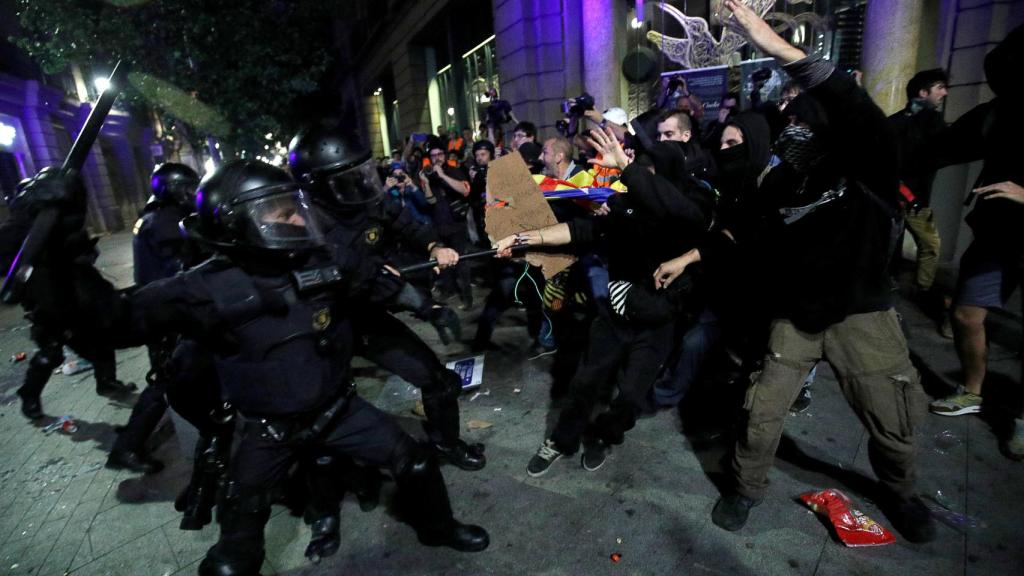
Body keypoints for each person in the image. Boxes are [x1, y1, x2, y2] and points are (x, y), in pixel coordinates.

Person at [43, 160, 489, 575]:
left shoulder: (320, 258)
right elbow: (111, 321)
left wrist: (425, 305)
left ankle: (438, 528)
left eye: (293, 208)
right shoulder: (203, 288)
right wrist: (62, 248)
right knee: (234, 549)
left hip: (339, 411)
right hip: (264, 430)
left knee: (415, 465)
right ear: (236, 224)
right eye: (279, 212)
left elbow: (371, 280)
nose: (297, 218)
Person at [655, 0, 935, 542]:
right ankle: (745, 488)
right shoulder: (779, 184)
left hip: (862, 313)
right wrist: (689, 256)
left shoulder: (869, 160)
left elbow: (852, 104)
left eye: (802, 114)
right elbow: (745, 231)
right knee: (760, 415)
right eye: (787, 118)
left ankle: (901, 491)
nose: (792, 126)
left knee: (894, 423)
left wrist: (778, 48)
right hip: (795, 314)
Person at [494, 126, 714, 477]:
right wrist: (522, 238)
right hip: (615, 317)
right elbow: (579, 231)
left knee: (629, 399)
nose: (640, 185)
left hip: (656, 324)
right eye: (640, 175)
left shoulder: (690, 212)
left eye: (649, 176)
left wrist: (629, 170)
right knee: (583, 385)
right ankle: (561, 440)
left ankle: (604, 437)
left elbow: (684, 214)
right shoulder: (624, 207)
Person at [288, 123, 483, 469]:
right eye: (345, 178)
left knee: (435, 379)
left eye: (359, 172)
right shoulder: (307, 230)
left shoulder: (363, 200)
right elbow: (370, 278)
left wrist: (434, 245)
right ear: (318, 187)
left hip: (367, 316)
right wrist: (428, 309)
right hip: (325, 328)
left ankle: (446, 445)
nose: (359, 182)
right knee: (320, 412)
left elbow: (403, 221)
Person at [922, 25, 1024, 461]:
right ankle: (971, 391)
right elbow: (940, 147)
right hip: (998, 234)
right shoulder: (997, 114)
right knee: (966, 314)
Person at [0, 169, 136, 421]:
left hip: (75, 294)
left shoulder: (58, 221)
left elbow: (80, 247)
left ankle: (106, 382)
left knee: (102, 337)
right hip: (45, 302)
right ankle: (29, 395)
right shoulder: (17, 229)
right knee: (51, 353)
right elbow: (9, 263)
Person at [106, 162, 202, 474]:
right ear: (173, 191)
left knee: (167, 376)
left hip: (158, 304)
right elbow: (180, 266)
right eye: (187, 189)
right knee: (166, 380)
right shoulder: (164, 220)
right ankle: (128, 447)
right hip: (166, 311)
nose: (192, 194)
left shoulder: (156, 215)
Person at [888, 68, 950, 328]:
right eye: (939, 87)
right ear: (923, 93)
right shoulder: (923, 122)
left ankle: (908, 289)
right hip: (904, 199)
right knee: (927, 245)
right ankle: (919, 290)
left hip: (907, 199)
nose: (945, 93)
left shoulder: (904, 122)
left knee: (920, 246)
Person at [420, 143, 475, 308]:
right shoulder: (428, 175)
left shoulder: (453, 171)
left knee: (461, 262)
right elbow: (431, 201)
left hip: (456, 224)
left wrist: (443, 175)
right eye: (433, 155)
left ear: (444, 155)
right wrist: (426, 182)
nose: (437, 158)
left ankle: (467, 298)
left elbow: (465, 190)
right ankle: (449, 290)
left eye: (439, 154)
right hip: (439, 224)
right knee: (443, 263)